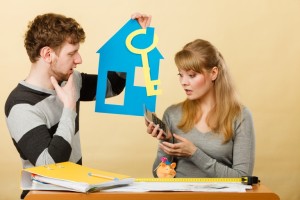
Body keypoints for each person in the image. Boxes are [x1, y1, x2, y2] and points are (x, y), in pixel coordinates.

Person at [4, 12, 151, 199]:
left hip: (75, 194)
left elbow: (112, 85)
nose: (79, 59)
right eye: (71, 53)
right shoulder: (21, 105)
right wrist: (69, 106)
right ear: (48, 54)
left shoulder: (71, 81)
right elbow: (52, 166)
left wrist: (132, 40)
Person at [146, 39, 255, 178]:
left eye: (192, 75)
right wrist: (167, 141)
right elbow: (158, 175)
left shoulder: (240, 116)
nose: (184, 82)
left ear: (214, 73)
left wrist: (194, 154)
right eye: (181, 75)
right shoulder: (172, 114)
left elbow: (243, 178)